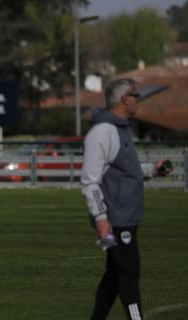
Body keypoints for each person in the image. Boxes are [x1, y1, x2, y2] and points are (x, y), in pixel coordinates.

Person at [81, 78, 172, 320]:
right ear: (124, 99)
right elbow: (90, 181)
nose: (137, 99)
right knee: (129, 272)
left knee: (115, 274)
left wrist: (153, 169)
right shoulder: (102, 132)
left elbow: (126, 170)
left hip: (125, 218)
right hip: (114, 221)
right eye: (135, 95)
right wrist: (101, 219)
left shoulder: (119, 129)